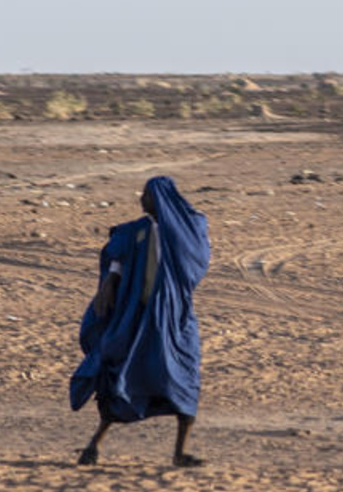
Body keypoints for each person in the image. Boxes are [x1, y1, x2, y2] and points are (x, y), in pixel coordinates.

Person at [70, 175, 211, 467]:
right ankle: (93, 446)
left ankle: (180, 453)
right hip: (137, 315)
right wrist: (110, 281)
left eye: (145, 195)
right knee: (120, 370)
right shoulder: (138, 231)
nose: (141, 200)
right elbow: (118, 253)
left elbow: (196, 260)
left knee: (184, 377)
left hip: (174, 318)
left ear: (159, 199)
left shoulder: (187, 227)